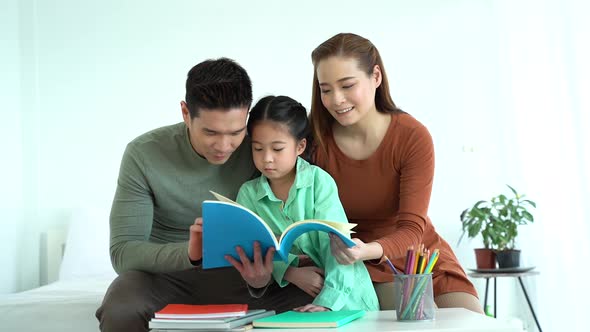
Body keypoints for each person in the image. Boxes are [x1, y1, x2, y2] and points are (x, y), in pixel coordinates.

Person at [96, 58, 314, 332]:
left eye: (235, 132)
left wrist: (264, 275)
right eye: (210, 132)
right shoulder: (143, 154)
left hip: (242, 276)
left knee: (316, 299)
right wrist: (190, 254)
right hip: (166, 278)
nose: (224, 146)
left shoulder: (261, 150)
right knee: (122, 308)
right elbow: (123, 253)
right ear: (186, 113)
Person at [308, 33, 484, 313]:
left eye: (347, 85)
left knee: (472, 321)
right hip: (363, 265)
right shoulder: (314, 142)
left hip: (420, 256)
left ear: (375, 76)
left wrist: (368, 249)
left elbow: (413, 230)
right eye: (325, 89)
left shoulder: (412, 136)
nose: (336, 99)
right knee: (416, 321)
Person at [232, 95, 379, 312]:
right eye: (258, 148)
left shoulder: (319, 183)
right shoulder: (248, 194)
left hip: (346, 297)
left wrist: (327, 302)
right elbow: (254, 250)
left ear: (300, 146)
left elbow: (338, 248)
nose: (267, 158)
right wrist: (290, 272)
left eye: (278, 148)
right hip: (294, 302)